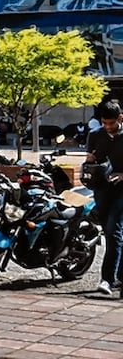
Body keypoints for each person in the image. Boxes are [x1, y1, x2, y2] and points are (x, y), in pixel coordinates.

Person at [86, 99, 123, 298]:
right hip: (101, 189)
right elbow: (90, 161)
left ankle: (107, 279)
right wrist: (90, 162)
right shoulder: (95, 135)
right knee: (112, 231)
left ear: (120, 118)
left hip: (121, 190)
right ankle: (119, 276)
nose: (108, 127)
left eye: (112, 123)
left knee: (113, 230)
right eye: (105, 123)